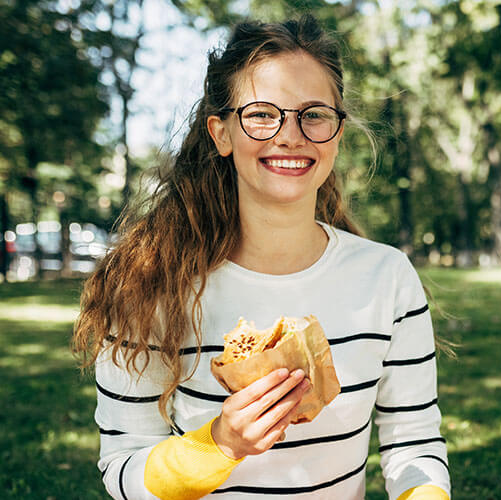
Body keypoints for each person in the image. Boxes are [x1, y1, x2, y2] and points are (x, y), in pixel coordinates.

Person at [72, 15, 450, 500]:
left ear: (337, 132)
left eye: (313, 114)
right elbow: (123, 468)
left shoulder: (387, 276)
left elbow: (414, 442)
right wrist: (219, 444)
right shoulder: (150, 280)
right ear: (222, 133)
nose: (290, 135)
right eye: (262, 114)